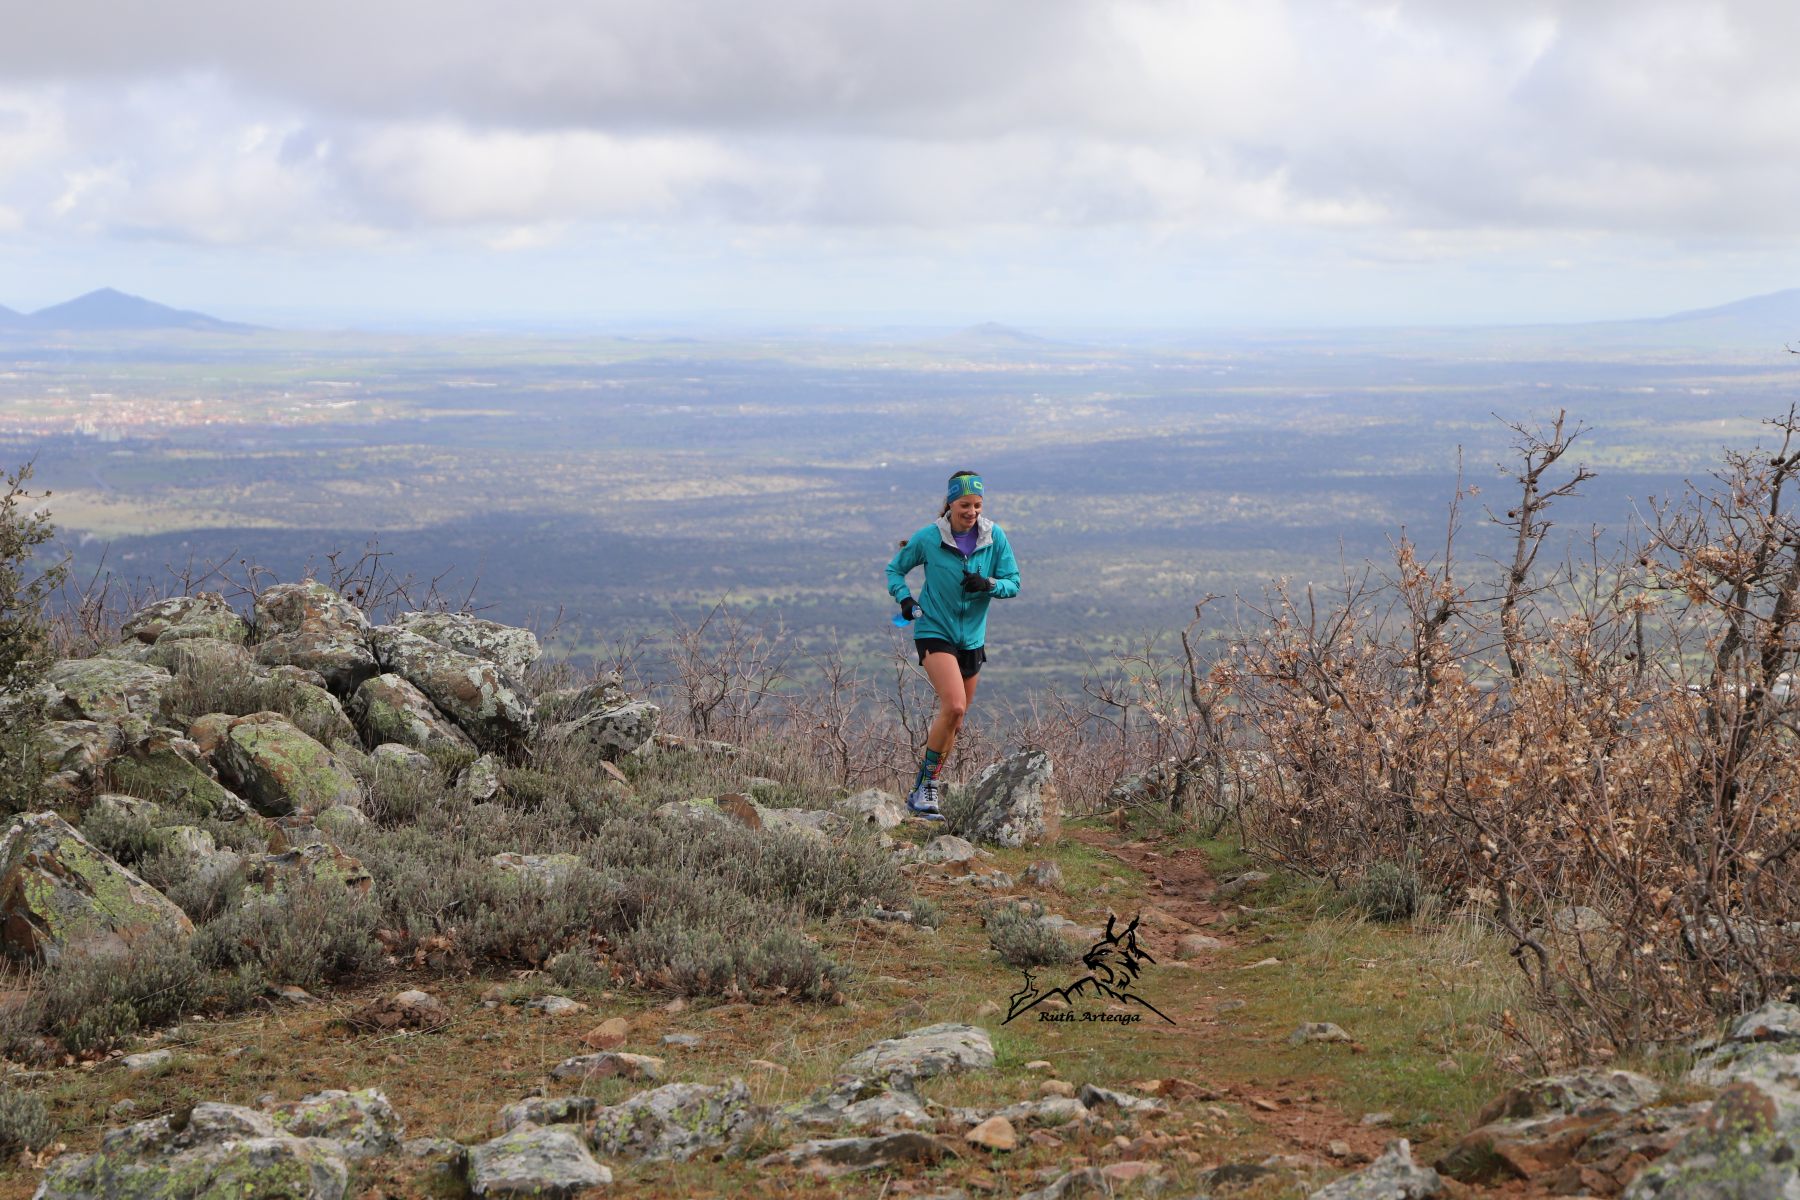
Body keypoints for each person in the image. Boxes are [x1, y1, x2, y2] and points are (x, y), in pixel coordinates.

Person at [885, 470, 1020, 819]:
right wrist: (904, 599)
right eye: (964, 504)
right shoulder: (930, 538)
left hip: (972, 639)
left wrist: (988, 583)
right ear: (950, 504)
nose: (971, 511)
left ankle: (921, 791)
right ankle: (927, 789)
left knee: (955, 722)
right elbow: (894, 570)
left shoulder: (995, 538)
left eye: (977, 504)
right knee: (955, 706)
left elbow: (1014, 582)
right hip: (934, 629)